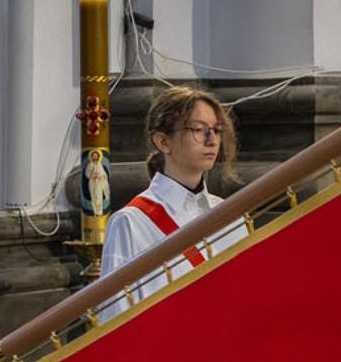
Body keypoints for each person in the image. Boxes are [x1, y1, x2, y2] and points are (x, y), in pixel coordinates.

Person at [96, 86, 247, 323]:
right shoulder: (132, 222)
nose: (211, 140)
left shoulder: (230, 216)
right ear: (163, 142)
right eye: (198, 129)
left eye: (216, 130)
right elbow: (115, 317)